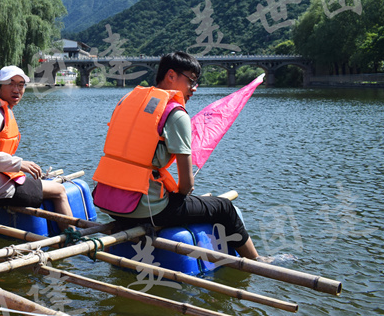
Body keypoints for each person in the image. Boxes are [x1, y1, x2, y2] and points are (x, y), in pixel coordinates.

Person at [92, 51, 261, 260]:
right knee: (224, 207)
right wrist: (183, 193)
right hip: (142, 208)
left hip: (106, 202)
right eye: (191, 81)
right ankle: (257, 260)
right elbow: (187, 185)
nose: (194, 88)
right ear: (171, 75)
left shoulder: (126, 101)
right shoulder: (175, 114)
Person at [0, 65, 74, 227]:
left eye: (21, 85)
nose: (16, 89)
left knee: (31, 180)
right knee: (59, 191)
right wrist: (19, 164)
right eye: (11, 84)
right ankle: (71, 235)